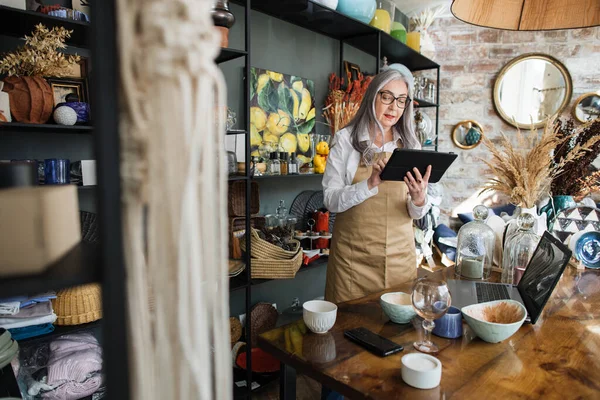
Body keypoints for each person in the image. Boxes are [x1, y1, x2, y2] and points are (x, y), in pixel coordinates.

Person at [322, 67, 432, 305]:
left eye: (401, 101)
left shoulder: (411, 145)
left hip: (398, 261)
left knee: (397, 333)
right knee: (346, 334)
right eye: (387, 97)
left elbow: (416, 212)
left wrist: (419, 199)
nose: (394, 107)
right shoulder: (346, 140)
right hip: (352, 263)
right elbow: (330, 201)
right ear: (373, 96)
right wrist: (369, 183)